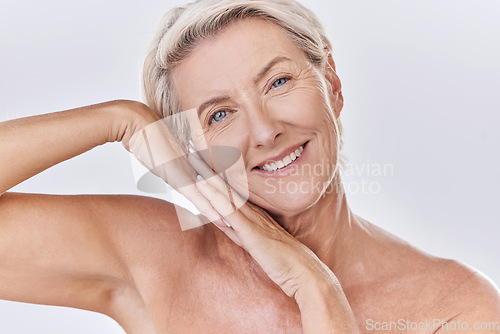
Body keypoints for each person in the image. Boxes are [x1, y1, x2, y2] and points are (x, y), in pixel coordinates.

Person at [0, 0, 499, 333]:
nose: (263, 131)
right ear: (188, 148)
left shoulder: (455, 309)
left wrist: (316, 288)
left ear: (333, 84)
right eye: (219, 114)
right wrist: (119, 120)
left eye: (277, 82)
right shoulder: (155, 257)